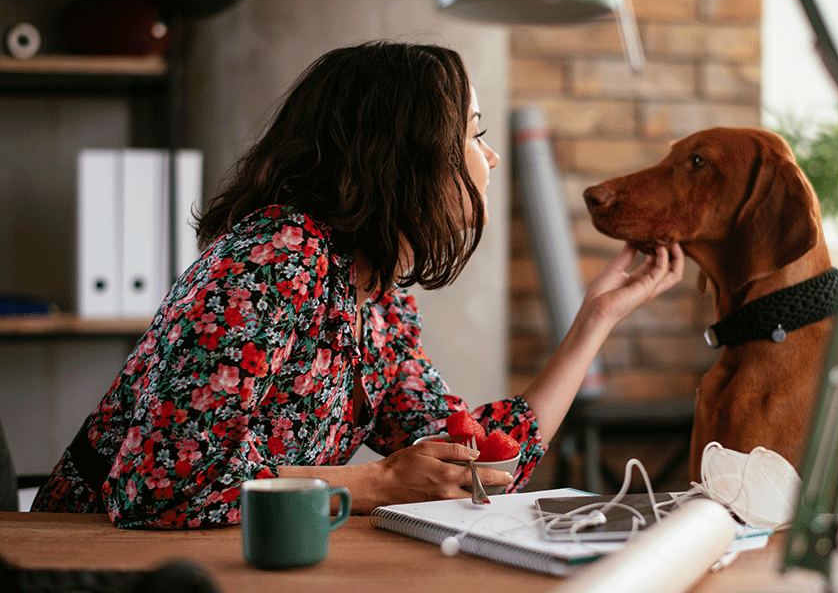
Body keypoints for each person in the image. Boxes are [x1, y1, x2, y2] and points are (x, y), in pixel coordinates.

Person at [31, 40, 684, 528]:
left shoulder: (380, 298)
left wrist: (596, 317)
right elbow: (161, 488)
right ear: (407, 152)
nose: (488, 158)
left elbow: (473, 466)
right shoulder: (275, 256)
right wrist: (376, 482)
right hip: (93, 562)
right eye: (472, 134)